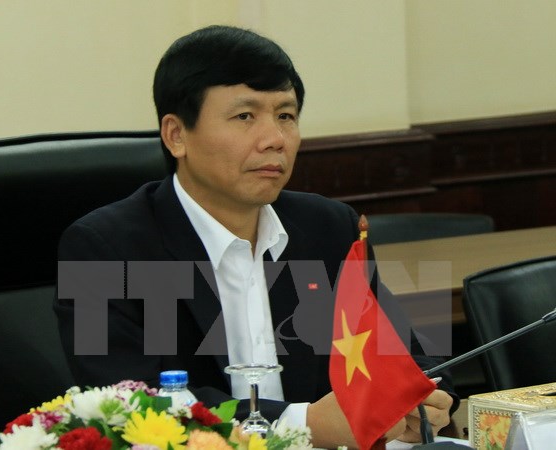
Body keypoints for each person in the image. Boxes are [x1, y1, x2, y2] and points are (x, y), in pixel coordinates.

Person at [55, 25, 457, 449]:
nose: (275, 140)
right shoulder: (104, 250)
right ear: (176, 135)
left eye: (286, 116)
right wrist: (303, 423)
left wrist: (421, 401)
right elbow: (128, 405)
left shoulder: (328, 227)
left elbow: (407, 356)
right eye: (245, 117)